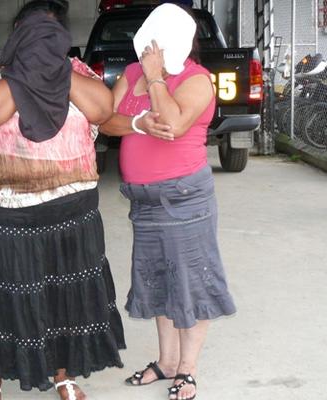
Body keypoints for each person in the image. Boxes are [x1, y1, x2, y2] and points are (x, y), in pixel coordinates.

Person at [0, 2, 126, 399]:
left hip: (72, 209)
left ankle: (63, 373)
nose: (39, 40)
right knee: (3, 295)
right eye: (31, 32)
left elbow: (103, 109)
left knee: (63, 298)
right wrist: (29, 68)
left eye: (48, 33)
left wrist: (56, 67)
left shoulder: (75, 72)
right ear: (17, 33)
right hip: (9, 210)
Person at [99, 4, 236, 400]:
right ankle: (167, 362)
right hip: (143, 200)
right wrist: (139, 122)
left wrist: (156, 78)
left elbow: (173, 124)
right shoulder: (130, 74)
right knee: (157, 281)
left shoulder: (196, 81)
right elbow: (105, 120)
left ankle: (188, 370)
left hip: (184, 200)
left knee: (191, 283)